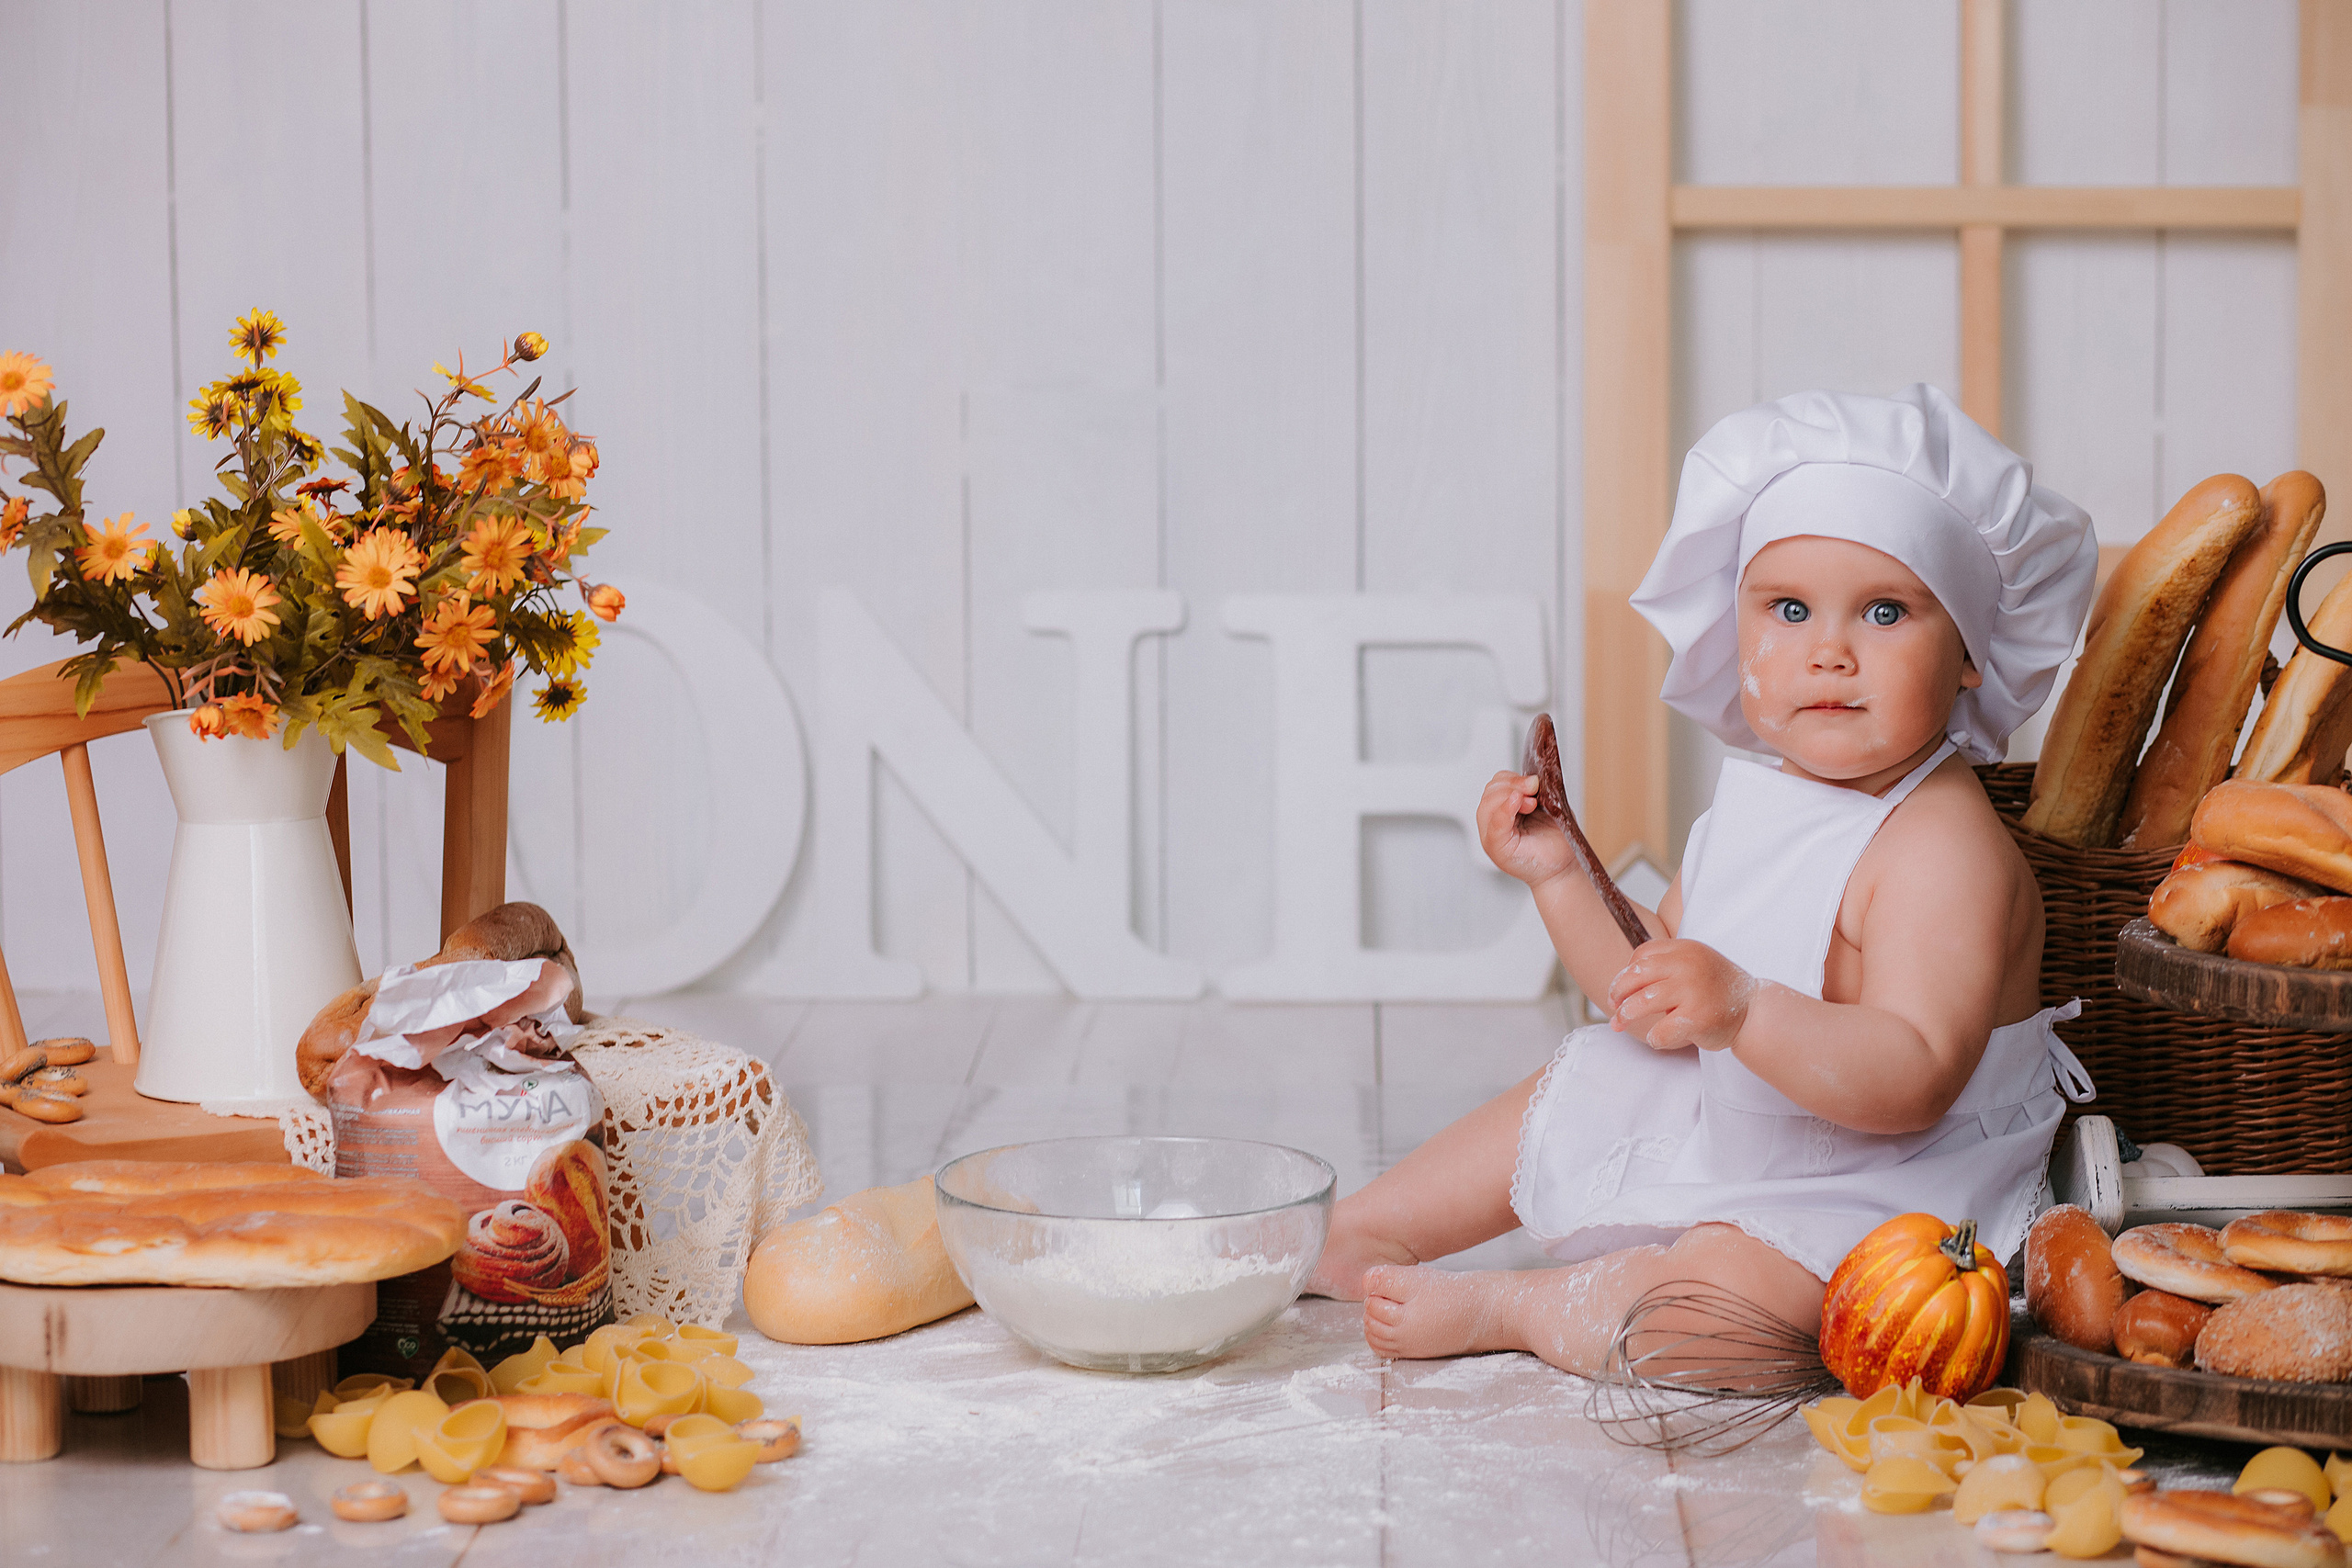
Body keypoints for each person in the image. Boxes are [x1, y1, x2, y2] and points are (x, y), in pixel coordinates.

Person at [1306, 385, 2101, 1374]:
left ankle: (1525, 1308)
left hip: (1895, 1182)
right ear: (1739, 632)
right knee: (1581, 1083)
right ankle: (1358, 1229)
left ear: (1973, 653)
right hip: (1757, 1116)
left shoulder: (1942, 847)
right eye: (1789, 609)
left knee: (1749, 1311)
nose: (1830, 651)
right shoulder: (1758, 806)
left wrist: (1741, 1010)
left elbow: (1913, 1072)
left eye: (1886, 612)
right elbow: (1647, 992)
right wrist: (1559, 876)